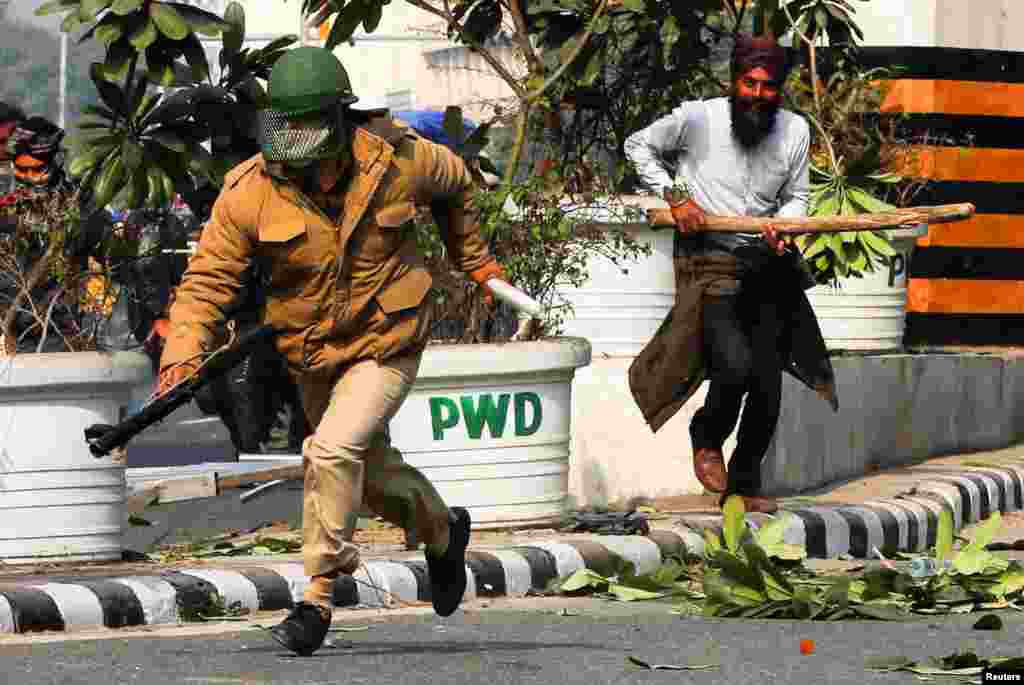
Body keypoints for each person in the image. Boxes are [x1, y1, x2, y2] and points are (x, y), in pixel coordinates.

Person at [156, 47, 509, 656]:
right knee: (364, 474)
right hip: (313, 351)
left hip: (388, 338)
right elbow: (208, 283)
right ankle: (444, 532)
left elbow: (455, 185)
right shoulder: (251, 190)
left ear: (342, 119)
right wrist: (182, 357)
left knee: (331, 449)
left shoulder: (401, 162)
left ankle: (316, 598)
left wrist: (474, 261)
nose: (297, 148)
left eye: (310, 131)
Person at [624, 35, 838, 514]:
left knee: (768, 381)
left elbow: (798, 195)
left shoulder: (795, 130)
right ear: (734, 80)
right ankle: (707, 435)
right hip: (710, 262)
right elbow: (638, 146)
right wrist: (677, 195)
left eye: (768, 87)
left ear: (781, 88)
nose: (758, 95)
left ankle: (743, 484)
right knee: (735, 366)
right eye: (750, 83)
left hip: (766, 264)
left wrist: (785, 226)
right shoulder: (698, 119)